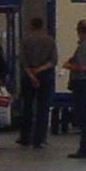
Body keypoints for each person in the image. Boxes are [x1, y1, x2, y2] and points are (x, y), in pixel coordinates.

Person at [17, 17, 58, 149]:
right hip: (45, 75)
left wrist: (32, 75)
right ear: (42, 26)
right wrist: (40, 70)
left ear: (31, 26)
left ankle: (25, 137)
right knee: (43, 108)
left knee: (27, 107)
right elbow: (53, 61)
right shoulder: (50, 41)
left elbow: (23, 62)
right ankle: (39, 139)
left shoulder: (25, 40)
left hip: (28, 76)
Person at [63, 19, 86, 159]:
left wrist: (68, 66)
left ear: (79, 31)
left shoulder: (85, 46)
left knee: (85, 118)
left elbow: (83, 67)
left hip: (83, 84)